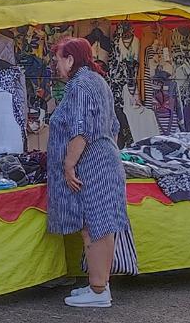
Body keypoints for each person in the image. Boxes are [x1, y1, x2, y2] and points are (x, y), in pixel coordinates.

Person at [45, 37, 131, 308]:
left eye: (58, 59)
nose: (56, 65)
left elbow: (80, 130)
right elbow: (114, 126)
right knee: (94, 225)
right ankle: (97, 285)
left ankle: (99, 291)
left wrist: (69, 164)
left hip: (91, 164)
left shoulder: (80, 85)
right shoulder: (97, 81)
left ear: (70, 59)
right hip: (103, 159)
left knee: (96, 226)